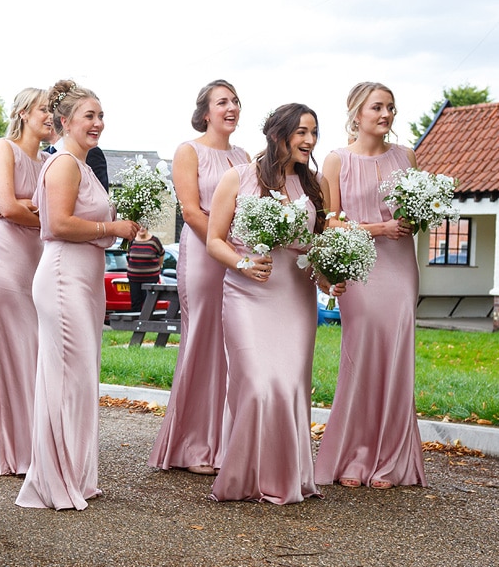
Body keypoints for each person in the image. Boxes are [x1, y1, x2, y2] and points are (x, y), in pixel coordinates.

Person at [205, 103, 339, 504]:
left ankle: (286, 476)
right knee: (258, 385)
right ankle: (246, 474)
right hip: (247, 293)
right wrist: (244, 262)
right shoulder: (237, 178)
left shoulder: (314, 185)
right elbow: (215, 241)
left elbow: (317, 246)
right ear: (279, 134)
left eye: (314, 132)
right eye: (302, 132)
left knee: (289, 385)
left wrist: (331, 278)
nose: (310, 141)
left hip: (295, 296)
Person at [16, 80, 139, 510]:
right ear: (64, 122)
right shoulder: (64, 163)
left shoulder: (84, 167)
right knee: (66, 378)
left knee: (80, 377)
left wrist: (123, 225)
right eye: (89, 115)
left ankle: (75, 475)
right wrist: (112, 229)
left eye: (101, 116)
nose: (98, 123)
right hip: (64, 277)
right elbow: (60, 225)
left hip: (85, 279)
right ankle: (56, 480)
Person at [314, 82, 427, 490]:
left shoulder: (406, 156)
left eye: (391, 108)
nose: (386, 115)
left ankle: (392, 460)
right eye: (377, 107)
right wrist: (380, 227)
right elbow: (330, 221)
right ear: (356, 112)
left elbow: (415, 208)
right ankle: (355, 455)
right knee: (360, 354)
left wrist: (417, 218)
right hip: (359, 265)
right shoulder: (336, 160)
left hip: (400, 267)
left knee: (397, 355)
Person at [149, 80, 249, 475]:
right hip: (205, 255)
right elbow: (191, 212)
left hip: (237, 256)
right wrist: (225, 243)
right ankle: (194, 446)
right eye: (222, 102)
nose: (231, 107)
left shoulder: (245, 156)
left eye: (236, 101)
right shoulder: (188, 151)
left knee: (236, 342)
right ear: (205, 112)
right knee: (204, 340)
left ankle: (230, 442)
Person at [0, 88, 54, 475]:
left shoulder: (48, 161)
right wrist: (46, 217)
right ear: (24, 113)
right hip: (5, 265)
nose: (50, 116)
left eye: (53, 111)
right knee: (15, 353)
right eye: (44, 110)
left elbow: (51, 208)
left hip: (37, 265)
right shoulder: (4, 149)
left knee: (35, 354)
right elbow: (6, 207)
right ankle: (15, 451)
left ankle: (32, 446)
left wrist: (34, 212)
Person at [126, 227, 164, 313]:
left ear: (147, 228)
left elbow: (161, 254)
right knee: (135, 303)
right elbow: (128, 255)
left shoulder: (154, 241)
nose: (142, 229)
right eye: (139, 226)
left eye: (144, 226)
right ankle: (135, 325)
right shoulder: (131, 240)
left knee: (149, 303)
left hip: (150, 278)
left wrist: (159, 266)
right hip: (134, 279)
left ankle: (147, 324)